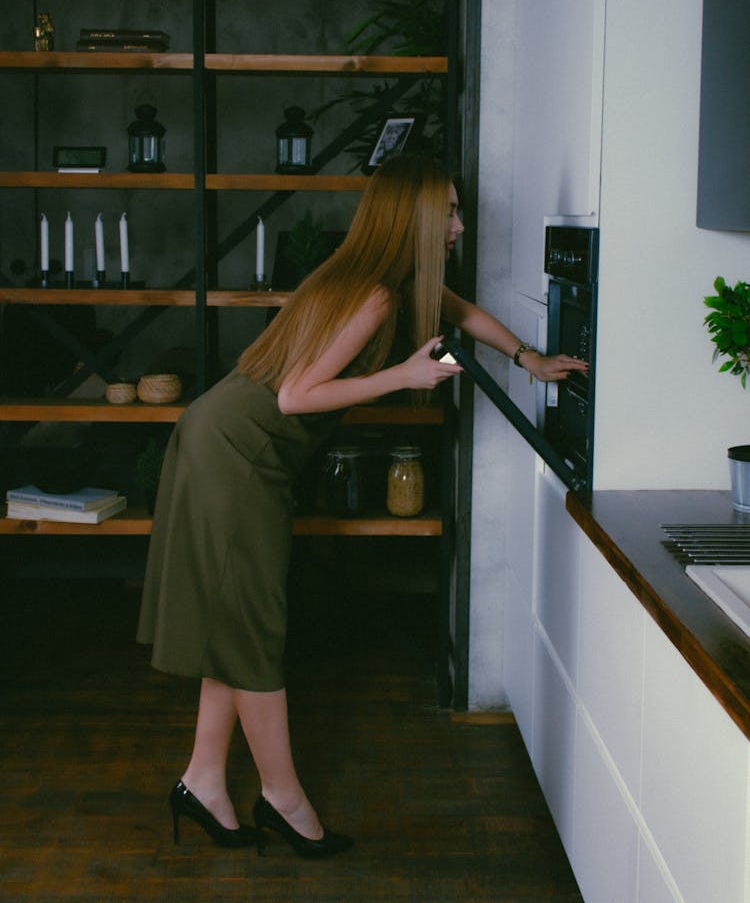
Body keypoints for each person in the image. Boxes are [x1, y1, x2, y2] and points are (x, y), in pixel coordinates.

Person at [136, 154, 586, 860]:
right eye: (452, 213)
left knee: (236, 621)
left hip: (233, 442)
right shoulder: (373, 294)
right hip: (239, 452)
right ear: (415, 219)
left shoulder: (390, 280)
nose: (462, 226)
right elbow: (294, 397)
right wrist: (399, 376)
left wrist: (528, 356)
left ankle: (204, 781)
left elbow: (461, 311)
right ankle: (284, 800)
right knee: (256, 628)